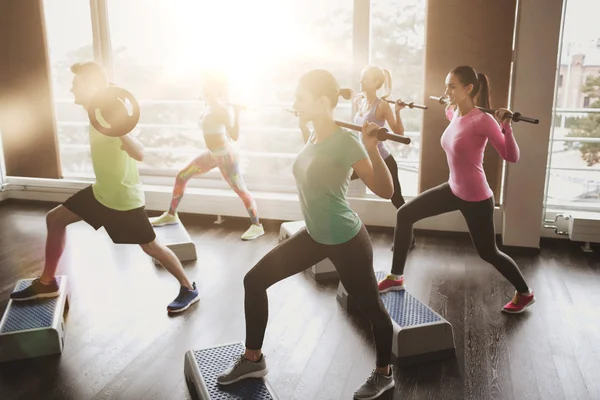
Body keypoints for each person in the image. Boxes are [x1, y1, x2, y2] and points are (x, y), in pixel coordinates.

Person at [215, 70, 396, 400]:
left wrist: (373, 146)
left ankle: (384, 374)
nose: (294, 103)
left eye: (300, 98)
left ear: (322, 102)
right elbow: (316, 168)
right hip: (314, 234)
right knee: (254, 281)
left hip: (346, 239)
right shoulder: (314, 136)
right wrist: (306, 124)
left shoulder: (347, 141)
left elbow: (385, 190)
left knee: (371, 309)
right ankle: (253, 359)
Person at [9, 61, 199, 314]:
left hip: (122, 200)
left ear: (90, 86)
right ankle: (47, 282)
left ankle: (188, 288)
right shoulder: (97, 109)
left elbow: (139, 152)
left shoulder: (111, 113)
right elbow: (107, 91)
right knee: (55, 219)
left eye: (76, 84)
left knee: (150, 246)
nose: (71, 90)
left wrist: (119, 129)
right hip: (100, 193)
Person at [377, 65, 535, 314]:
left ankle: (525, 293)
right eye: (446, 86)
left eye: (452, 86)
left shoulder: (483, 120)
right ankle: (396, 276)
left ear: (469, 88)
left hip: (476, 197)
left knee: (488, 253)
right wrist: (450, 105)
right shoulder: (455, 114)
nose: (446, 91)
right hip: (453, 188)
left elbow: (510, 156)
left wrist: (506, 126)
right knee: (405, 213)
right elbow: (454, 121)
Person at [149, 71, 264, 241]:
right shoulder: (209, 107)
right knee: (181, 176)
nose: (205, 91)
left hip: (226, 156)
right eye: (205, 88)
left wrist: (237, 113)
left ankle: (257, 226)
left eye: (209, 88)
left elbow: (235, 135)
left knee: (240, 189)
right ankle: (171, 214)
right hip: (213, 155)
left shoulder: (222, 110)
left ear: (217, 91)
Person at [352, 65, 415, 250]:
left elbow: (398, 132)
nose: (360, 81)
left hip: (382, 159)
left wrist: (397, 111)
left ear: (377, 83)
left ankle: (408, 237)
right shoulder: (360, 102)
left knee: (397, 200)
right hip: (362, 158)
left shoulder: (382, 105)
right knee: (341, 180)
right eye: (361, 78)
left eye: (365, 79)